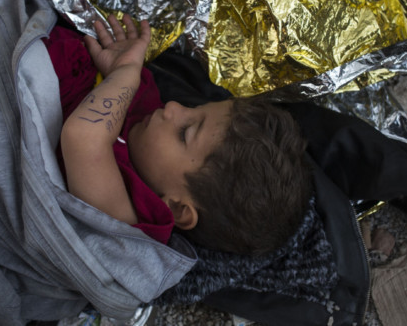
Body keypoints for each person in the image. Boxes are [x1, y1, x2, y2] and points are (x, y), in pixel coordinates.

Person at [56, 14, 313, 256]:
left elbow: (82, 137)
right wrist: (120, 62)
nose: (172, 108)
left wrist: (125, 72)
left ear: (177, 208)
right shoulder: (147, 110)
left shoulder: (126, 219)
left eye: (184, 132)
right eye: (193, 108)